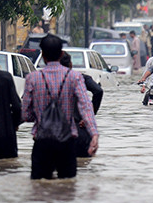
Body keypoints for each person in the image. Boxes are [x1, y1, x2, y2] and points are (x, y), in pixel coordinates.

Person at [22, 34, 99, 179]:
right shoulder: (74, 77)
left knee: (39, 190)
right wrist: (94, 134)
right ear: (62, 53)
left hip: (42, 142)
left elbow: (25, 114)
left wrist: (40, 117)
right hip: (67, 142)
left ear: (43, 55)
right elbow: (86, 107)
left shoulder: (32, 78)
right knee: (67, 189)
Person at [60, 52, 102, 158]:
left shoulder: (46, 80)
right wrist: (91, 115)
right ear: (71, 64)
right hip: (79, 128)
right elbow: (98, 91)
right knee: (83, 166)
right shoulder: (81, 78)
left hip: (57, 131)